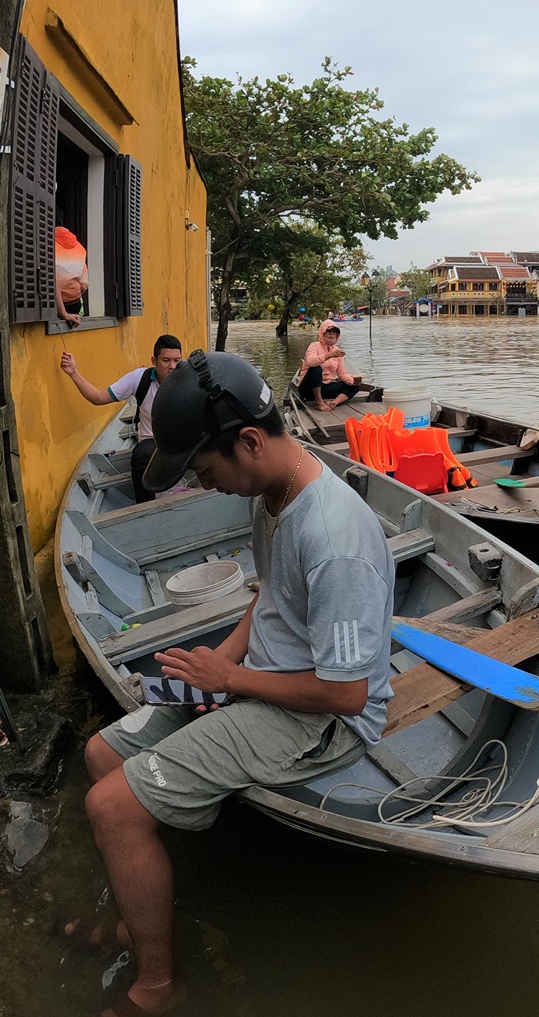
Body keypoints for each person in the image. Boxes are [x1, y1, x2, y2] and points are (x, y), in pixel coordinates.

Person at [70, 350, 394, 1017]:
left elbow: (347, 696)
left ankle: (159, 982)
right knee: (100, 754)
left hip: (318, 718)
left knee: (112, 807)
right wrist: (219, 666)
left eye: (204, 467)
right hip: (259, 680)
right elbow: (271, 596)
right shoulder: (275, 493)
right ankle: (141, 917)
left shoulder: (335, 536)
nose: (202, 482)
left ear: (248, 441)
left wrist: (233, 677)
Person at [60, 334, 184, 503]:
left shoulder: (189, 379)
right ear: (154, 361)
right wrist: (73, 372)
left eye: (177, 361)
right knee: (140, 455)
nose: (172, 366)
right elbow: (98, 397)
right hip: (153, 443)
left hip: (184, 441)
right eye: (166, 360)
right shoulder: (139, 379)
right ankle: (145, 508)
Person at [296, 321, 374, 411]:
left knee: (356, 386)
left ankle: (334, 402)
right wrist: (330, 355)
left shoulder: (337, 351)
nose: (332, 333)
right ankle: (319, 402)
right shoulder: (314, 346)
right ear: (323, 333)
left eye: (335, 331)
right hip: (308, 390)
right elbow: (309, 362)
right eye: (329, 331)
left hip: (325, 387)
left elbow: (342, 373)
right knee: (315, 368)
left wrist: (353, 381)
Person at [55, 225, 88, 329]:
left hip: (56, 306)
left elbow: (53, 282)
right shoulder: (79, 248)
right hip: (75, 303)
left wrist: (64, 313)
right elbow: (84, 284)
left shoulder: (48, 246)